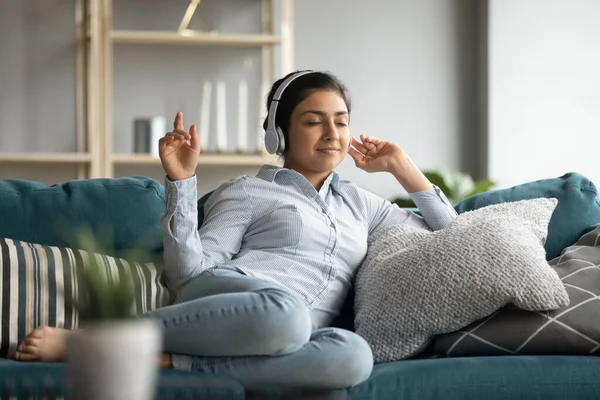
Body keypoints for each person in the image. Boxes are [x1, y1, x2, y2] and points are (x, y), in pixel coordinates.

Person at [9, 70, 457, 390]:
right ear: (280, 133)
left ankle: (168, 361)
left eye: (340, 120)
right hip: (247, 297)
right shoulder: (247, 191)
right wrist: (181, 183)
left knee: (355, 355)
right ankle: (102, 340)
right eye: (313, 119)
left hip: (301, 332)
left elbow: (452, 233)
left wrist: (401, 167)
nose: (332, 132)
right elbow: (189, 276)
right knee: (286, 313)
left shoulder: (365, 205)